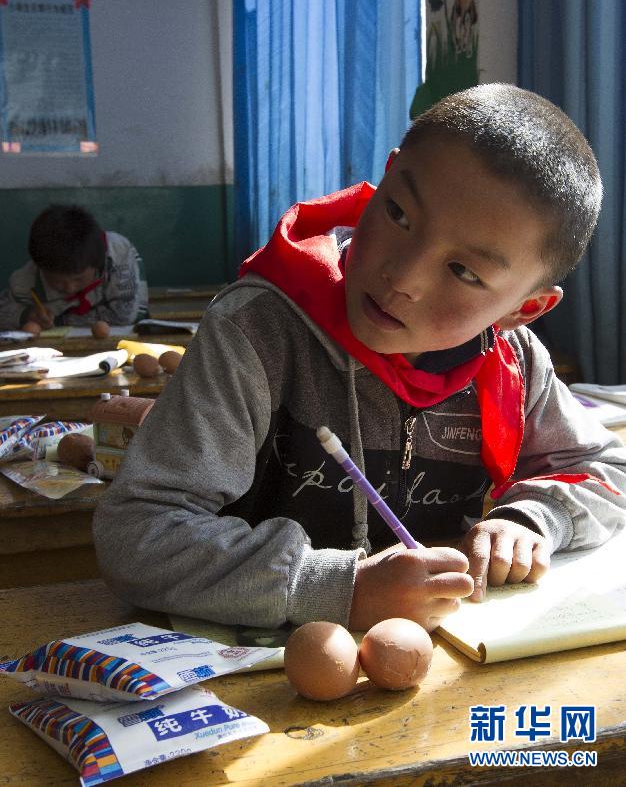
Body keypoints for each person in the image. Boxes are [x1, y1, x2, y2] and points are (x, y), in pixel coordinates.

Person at [93, 84, 626, 633]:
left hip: (441, 653)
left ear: (524, 308)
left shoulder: (512, 364)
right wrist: (337, 588)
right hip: (262, 661)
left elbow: (611, 471)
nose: (403, 277)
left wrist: (532, 519)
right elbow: (137, 532)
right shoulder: (257, 332)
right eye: (398, 213)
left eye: (464, 272)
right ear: (385, 178)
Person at [0, 205, 149, 329]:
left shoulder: (118, 254)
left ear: (97, 262)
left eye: (79, 279)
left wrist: (60, 320)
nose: (69, 288)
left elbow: (124, 316)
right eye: (57, 281)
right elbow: (3, 311)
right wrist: (26, 315)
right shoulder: (26, 280)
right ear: (39, 268)